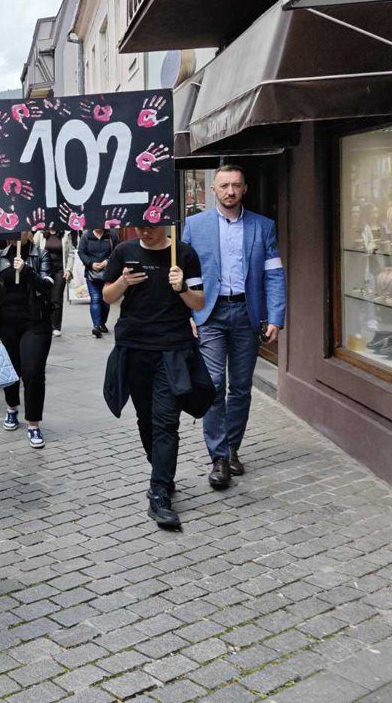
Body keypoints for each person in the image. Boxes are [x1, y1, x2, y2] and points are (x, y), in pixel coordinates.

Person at [102, 224, 214, 530]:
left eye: (150, 227)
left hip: (173, 349)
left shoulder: (184, 253)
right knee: (146, 419)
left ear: (163, 222)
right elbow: (107, 295)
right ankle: (162, 472)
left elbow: (199, 302)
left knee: (166, 421)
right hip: (135, 347)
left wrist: (182, 288)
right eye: (139, 227)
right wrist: (123, 281)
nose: (144, 232)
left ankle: (159, 492)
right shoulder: (124, 251)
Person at [182, 164, 286, 489]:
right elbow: (185, 273)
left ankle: (231, 448)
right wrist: (187, 314)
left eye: (236, 185)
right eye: (224, 185)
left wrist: (276, 317)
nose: (230, 191)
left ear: (244, 189)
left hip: (246, 313)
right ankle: (219, 457)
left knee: (241, 387)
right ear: (213, 189)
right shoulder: (194, 225)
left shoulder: (263, 226)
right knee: (214, 385)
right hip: (209, 314)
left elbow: (274, 274)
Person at [0, 231, 54, 447]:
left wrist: (27, 271)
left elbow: (47, 287)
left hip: (35, 322)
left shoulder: (41, 254)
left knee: (33, 372)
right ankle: (11, 407)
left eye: (17, 231)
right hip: (6, 323)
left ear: (28, 230)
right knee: (11, 370)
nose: (12, 236)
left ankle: (33, 423)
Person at [78, 227, 118, 338]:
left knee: (105, 300)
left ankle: (102, 322)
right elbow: (81, 252)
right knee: (95, 298)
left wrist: (107, 261)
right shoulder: (86, 236)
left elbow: (117, 251)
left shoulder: (111, 235)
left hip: (108, 273)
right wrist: (91, 264)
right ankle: (96, 326)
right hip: (92, 274)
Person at [42, 229, 73, 337]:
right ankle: (46, 324)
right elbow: (35, 250)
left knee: (56, 298)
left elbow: (70, 253)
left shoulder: (66, 234)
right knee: (45, 298)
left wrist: (68, 269)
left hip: (60, 270)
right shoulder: (40, 234)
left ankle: (55, 326)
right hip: (45, 270)